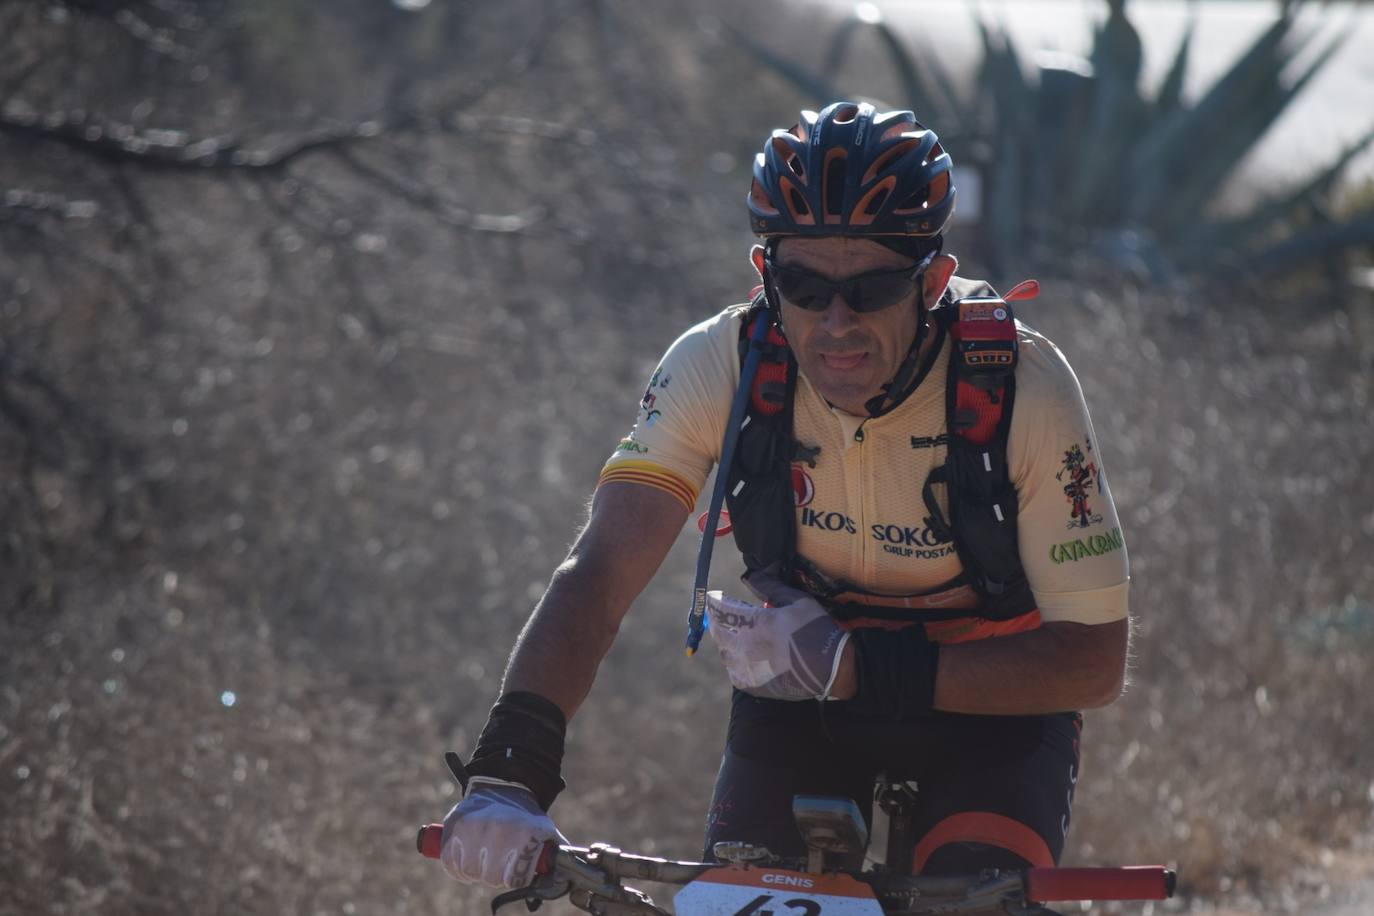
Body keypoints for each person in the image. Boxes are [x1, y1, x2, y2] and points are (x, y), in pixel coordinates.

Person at [438, 101, 1130, 890]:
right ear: (765, 275)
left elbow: (1093, 663)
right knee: (745, 899)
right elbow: (598, 573)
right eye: (802, 286)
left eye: (872, 288)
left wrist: (859, 667)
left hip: (996, 705)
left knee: (974, 902)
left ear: (935, 281)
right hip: (805, 702)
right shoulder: (720, 363)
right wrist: (510, 768)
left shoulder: (1020, 385)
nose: (835, 323)